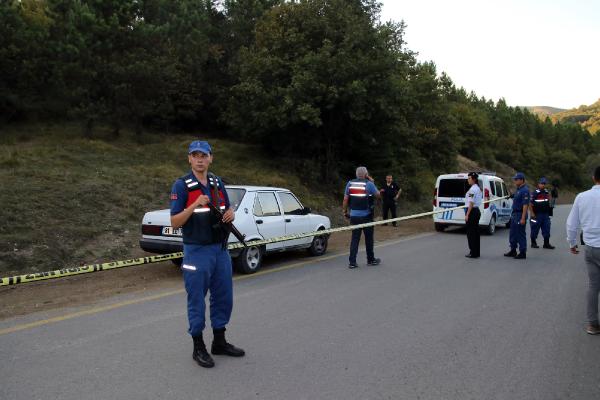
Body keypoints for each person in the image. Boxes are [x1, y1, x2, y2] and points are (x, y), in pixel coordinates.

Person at [170, 140, 245, 368]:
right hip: (196, 251)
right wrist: (194, 205)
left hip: (220, 250)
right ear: (189, 159)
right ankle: (198, 346)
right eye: (195, 155)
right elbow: (174, 223)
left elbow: (225, 209)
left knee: (224, 297)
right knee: (196, 300)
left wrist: (231, 213)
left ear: (211, 158)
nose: (200, 159)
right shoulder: (181, 185)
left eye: (204, 155)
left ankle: (219, 342)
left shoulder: (217, 182)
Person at [566, 166, 600, 335]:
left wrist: (572, 243)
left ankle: (593, 324)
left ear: (594, 177)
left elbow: (572, 224)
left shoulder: (582, 197)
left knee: (594, 286)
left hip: (591, 248)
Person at [342, 166, 381, 268]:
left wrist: (345, 211)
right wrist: (372, 182)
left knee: (355, 239)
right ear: (366, 174)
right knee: (369, 239)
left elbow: (345, 199)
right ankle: (370, 260)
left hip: (354, 216)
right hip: (367, 216)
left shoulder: (350, 183)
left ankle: (352, 262)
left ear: (356, 174)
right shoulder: (369, 184)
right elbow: (378, 195)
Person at [504, 172, 529, 259]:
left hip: (520, 214)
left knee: (520, 233)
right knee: (513, 233)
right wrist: (511, 196)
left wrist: (523, 218)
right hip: (515, 214)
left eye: (516, 179)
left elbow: (525, 205)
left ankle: (522, 252)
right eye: (515, 179)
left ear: (521, 180)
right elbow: (516, 196)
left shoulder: (525, 190)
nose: (515, 181)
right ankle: (513, 250)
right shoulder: (518, 189)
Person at [530, 177, 555, 249]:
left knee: (547, 228)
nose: (543, 185)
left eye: (544, 183)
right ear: (538, 184)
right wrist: (532, 213)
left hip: (545, 214)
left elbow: (549, 202)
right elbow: (530, 204)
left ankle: (546, 243)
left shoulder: (546, 192)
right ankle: (533, 243)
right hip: (537, 214)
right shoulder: (535, 193)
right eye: (542, 183)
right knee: (534, 229)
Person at [464, 172, 482, 258]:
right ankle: (476, 252)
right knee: (475, 232)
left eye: (469, 178)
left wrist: (467, 214)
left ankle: (473, 252)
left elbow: (471, 202)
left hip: (472, 211)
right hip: (476, 211)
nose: (468, 180)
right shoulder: (477, 188)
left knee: (471, 233)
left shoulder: (472, 189)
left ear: (473, 179)